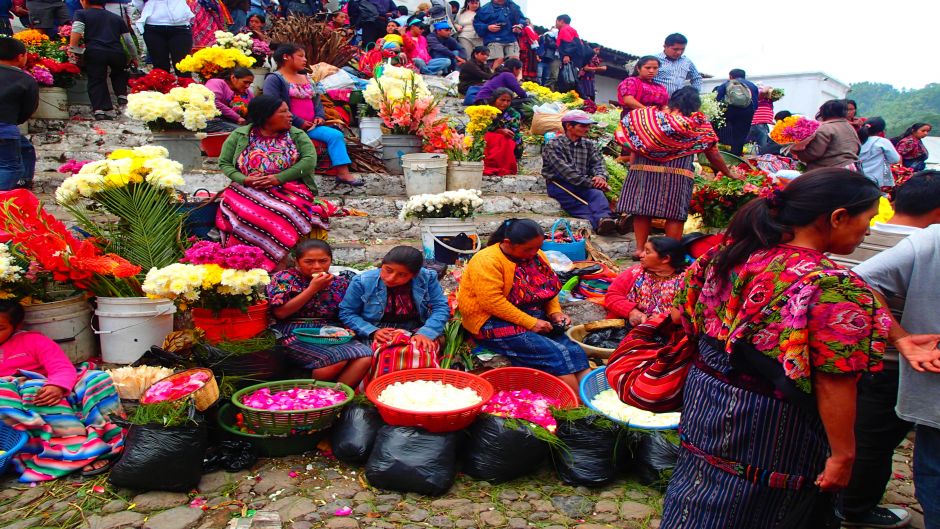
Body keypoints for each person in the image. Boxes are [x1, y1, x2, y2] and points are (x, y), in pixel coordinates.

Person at [662, 168, 889, 529]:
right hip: (771, 427)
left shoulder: (729, 255)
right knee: (764, 510)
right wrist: (843, 455)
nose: (869, 230)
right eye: (869, 219)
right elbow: (834, 379)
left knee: (699, 495)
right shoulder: (835, 285)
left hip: (706, 404)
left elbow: (678, 313)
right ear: (838, 217)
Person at [837, 171, 940, 529]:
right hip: (894, 363)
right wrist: (901, 337)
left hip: (842, 355)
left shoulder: (856, 235)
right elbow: (860, 282)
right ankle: (854, 509)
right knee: (873, 443)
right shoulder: (925, 243)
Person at [457, 218, 590, 394]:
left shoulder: (537, 256)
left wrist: (555, 313)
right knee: (555, 354)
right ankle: (577, 406)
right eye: (528, 249)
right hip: (491, 321)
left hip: (530, 316)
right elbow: (492, 302)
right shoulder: (487, 260)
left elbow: (548, 289)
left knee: (574, 351)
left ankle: (591, 400)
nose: (534, 252)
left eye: (538, 247)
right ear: (507, 243)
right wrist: (530, 322)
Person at [0, 300, 125, 482]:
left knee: (97, 378)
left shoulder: (32, 340)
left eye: (0, 327)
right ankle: (72, 449)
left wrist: (57, 386)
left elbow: (61, 367)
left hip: (53, 390)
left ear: (16, 325)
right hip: (20, 400)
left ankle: (98, 444)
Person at [216, 95, 333, 270]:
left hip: (290, 188)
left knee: (284, 211)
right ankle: (244, 262)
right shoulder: (240, 135)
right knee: (246, 213)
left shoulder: (296, 134)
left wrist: (278, 178)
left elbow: (309, 161)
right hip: (246, 188)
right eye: (283, 111)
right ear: (266, 115)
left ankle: (278, 263)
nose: (290, 115)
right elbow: (224, 162)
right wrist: (245, 179)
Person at [617, 87, 735, 257]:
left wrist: (634, 165)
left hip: (644, 169)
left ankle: (640, 249)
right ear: (695, 104)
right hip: (677, 174)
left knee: (641, 210)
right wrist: (727, 172)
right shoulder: (697, 124)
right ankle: (668, 254)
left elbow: (634, 142)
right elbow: (713, 153)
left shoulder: (650, 117)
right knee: (674, 215)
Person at [267, 240, 372, 388]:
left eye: (323, 261)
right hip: (293, 331)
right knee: (336, 359)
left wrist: (347, 329)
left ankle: (336, 398)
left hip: (330, 332)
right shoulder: (284, 278)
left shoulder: (340, 282)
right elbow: (281, 313)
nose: (317, 266)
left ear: (331, 260)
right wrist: (313, 288)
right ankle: (314, 397)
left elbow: (347, 311)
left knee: (365, 356)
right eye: (309, 261)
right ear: (297, 261)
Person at [339, 246, 450, 385]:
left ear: (414, 275)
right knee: (386, 354)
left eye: (402, 275)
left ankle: (418, 394)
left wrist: (427, 332)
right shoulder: (363, 281)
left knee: (421, 351)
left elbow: (441, 307)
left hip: (415, 329)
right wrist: (372, 331)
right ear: (382, 265)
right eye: (388, 270)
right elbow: (347, 312)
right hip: (376, 329)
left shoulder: (427, 279)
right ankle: (377, 393)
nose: (391, 278)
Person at [264, 44, 361, 186]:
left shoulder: (307, 78)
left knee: (335, 135)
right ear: (286, 57)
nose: (305, 60)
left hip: (311, 126)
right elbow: (272, 105)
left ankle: (343, 173)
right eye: (300, 56)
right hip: (287, 127)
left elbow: (317, 101)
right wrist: (298, 122)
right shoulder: (275, 79)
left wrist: (320, 116)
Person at [542, 109, 616, 235]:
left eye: (588, 126)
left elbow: (598, 163)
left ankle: (606, 220)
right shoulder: (553, 145)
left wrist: (600, 177)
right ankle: (605, 224)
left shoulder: (589, 144)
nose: (587, 129)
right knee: (581, 207)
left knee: (596, 195)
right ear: (569, 126)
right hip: (561, 185)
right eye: (582, 126)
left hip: (584, 184)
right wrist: (593, 183)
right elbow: (567, 173)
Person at [68, 0, 138, 121]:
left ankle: (100, 110)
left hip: (95, 51)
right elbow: (128, 40)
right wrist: (134, 56)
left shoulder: (81, 13)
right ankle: (121, 95)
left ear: (85, 1)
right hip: (117, 52)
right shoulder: (116, 17)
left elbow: (77, 30)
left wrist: (72, 49)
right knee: (119, 72)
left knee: (96, 79)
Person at [604, 236, 688, 323]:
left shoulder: (687, 279)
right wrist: (631, 311)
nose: (641, 255)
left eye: (647, 252)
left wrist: (664, 318)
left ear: (665, 259)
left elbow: (691, 311)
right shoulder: (634, 272)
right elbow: (611, 296)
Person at [0, 37, 38, 192]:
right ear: (20, 57)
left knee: (25, 148)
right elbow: (27, 109)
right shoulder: (25, 80)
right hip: (4, 129)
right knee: (9, 167)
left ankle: (24, 182)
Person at [792, 99, 861, 171]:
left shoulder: (824, 128)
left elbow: (813, 154)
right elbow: (858, 148)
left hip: (830, 171)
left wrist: (796, 149)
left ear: (824, 112)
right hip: (851, 168)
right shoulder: (849, 126)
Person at [133, 0, 194, 77]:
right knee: (160, 69)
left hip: (180, 24)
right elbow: (138, 3)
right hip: (153, 24)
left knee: (183, 66)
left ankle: (187, 87)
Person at [714, 69, 759, 156]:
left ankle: (722, 153)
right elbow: (756, 103)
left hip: (729, 112)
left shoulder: (726, 84)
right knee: (741, 135)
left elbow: (717, 98)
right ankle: (736, 156)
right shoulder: (752, 86)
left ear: (730, 76)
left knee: (724, 132)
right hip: (747, 113)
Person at [472, 0, 524, 70]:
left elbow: (522, 19)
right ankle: (494, 78)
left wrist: (519, 26)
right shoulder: (485, 8)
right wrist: (487, 27)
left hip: (511, 38)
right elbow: (477, 23)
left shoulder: (513, 6)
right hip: (493, 39)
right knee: (498, 59)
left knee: (515, 61)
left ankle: (516, 80)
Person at [481, 87, 521, 177]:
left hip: (507, 141)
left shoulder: (513, 114)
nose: (505, 103)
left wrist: (501, 131)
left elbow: (513, 132)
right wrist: (498, 130)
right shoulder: (486, 111)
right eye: (502, 100)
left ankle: (503, 165)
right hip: (489, 140)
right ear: (495, 100)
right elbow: (481, 128)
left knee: (503, 139)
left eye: (508, 101)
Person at [204, 67, 254, 132]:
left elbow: (254, 108)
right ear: (233, 78)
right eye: (245, 82)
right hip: (213, 120)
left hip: (235, 123)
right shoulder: (216, 83)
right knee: (240, 132)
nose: (247, 86)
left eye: (250, 83)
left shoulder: (247, 92)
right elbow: (213, 101)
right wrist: (237, 117)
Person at [857, 117, 901, 188]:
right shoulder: (882, 141)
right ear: (881, 131)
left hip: (859, 178)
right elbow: (895, 159)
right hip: (878, 179)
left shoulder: (856, 141)